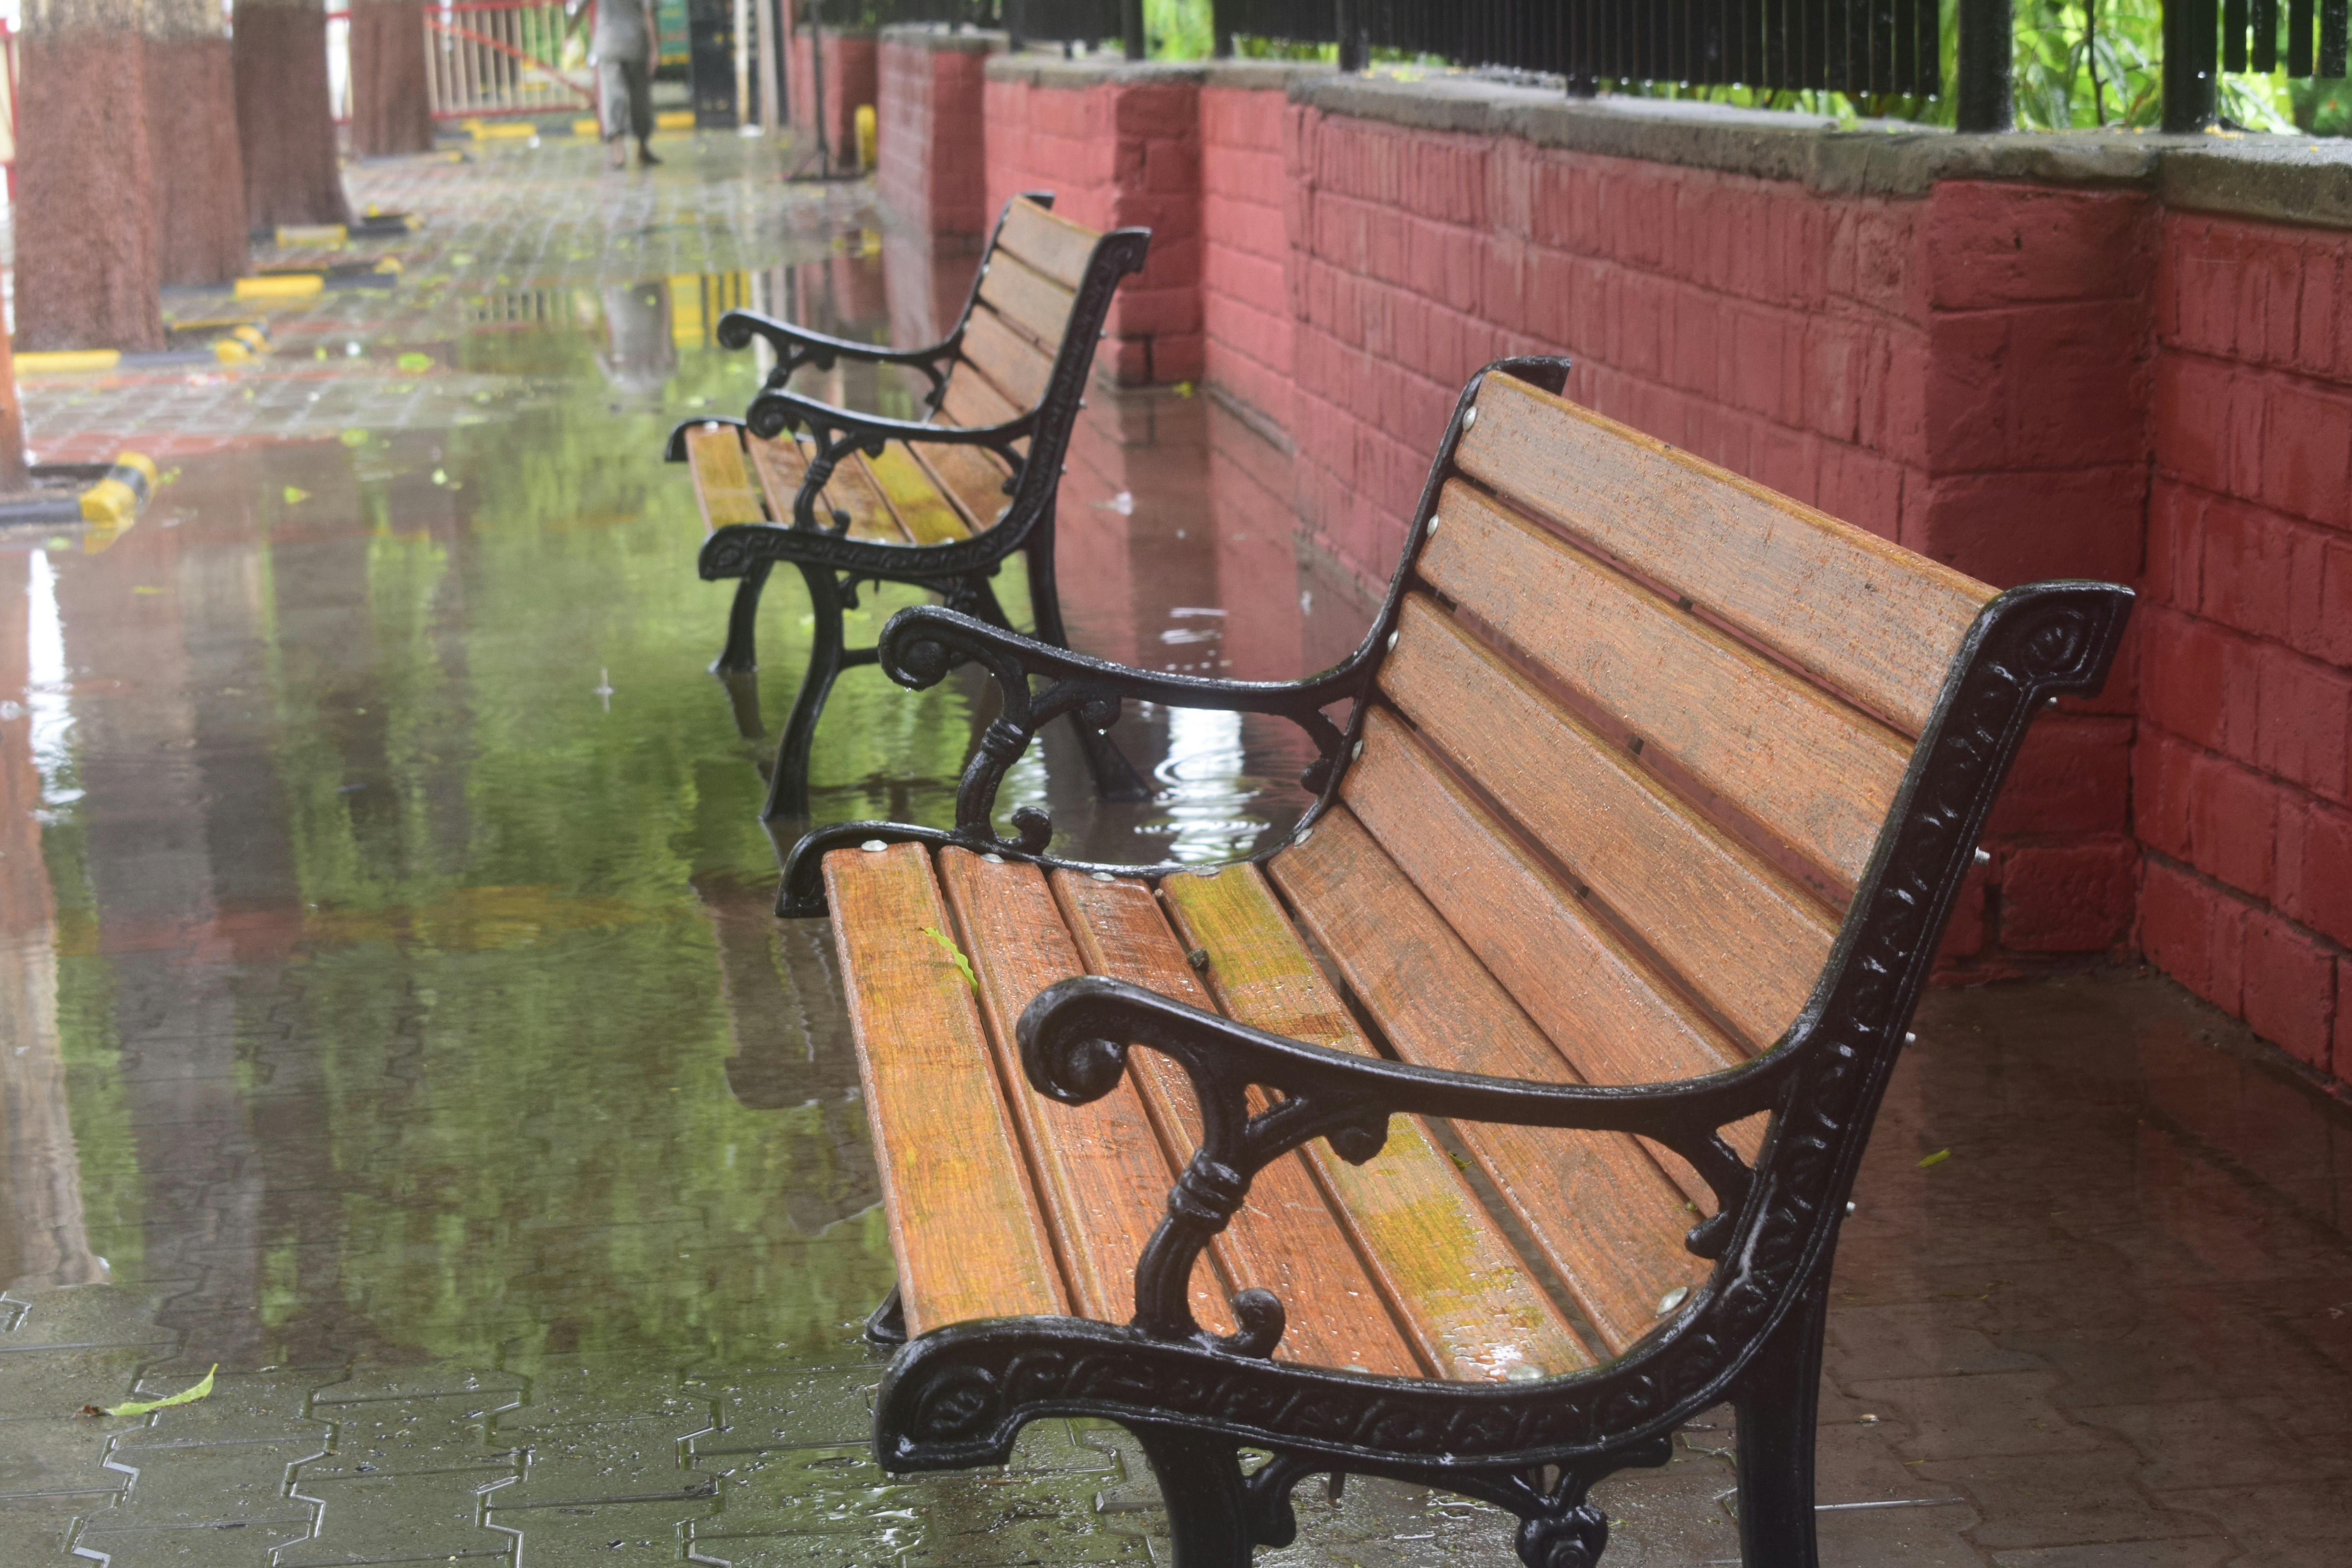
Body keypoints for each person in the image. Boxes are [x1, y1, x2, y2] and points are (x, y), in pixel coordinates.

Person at [570, 0, 661, 169]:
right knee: (640, 97)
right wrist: (655, 49)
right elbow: (649, 13)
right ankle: (643, 146)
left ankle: (618, 150)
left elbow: (578, 6)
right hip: (637, 43)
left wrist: (569, 32)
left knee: (612, 96)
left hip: (608, 43)